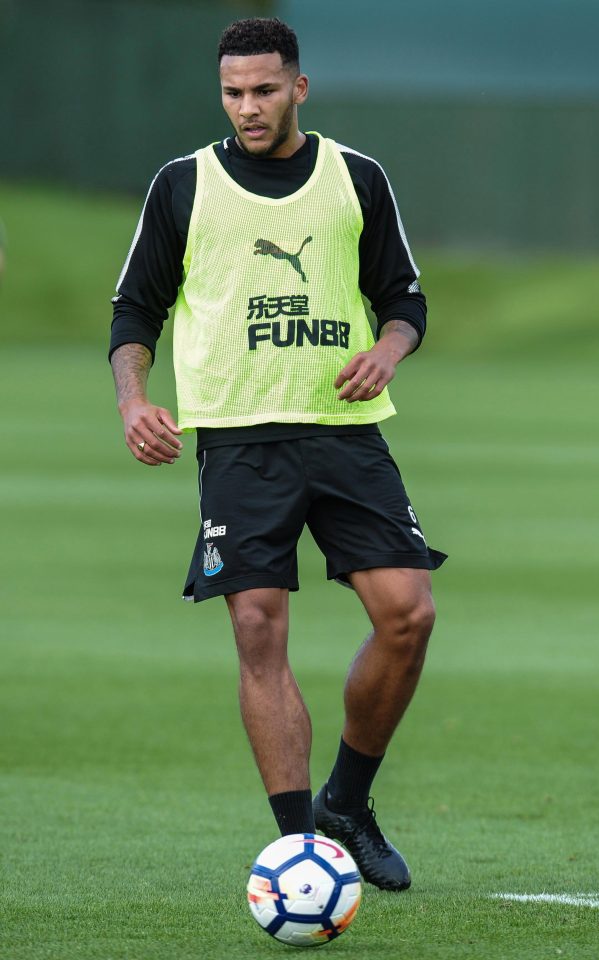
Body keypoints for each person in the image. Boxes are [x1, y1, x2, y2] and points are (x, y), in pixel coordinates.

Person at [109, 17, 446, 892]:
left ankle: (348, 801)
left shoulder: (356, 178)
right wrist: (135, 400)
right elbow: (134, 312)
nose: (247, 107)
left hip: (343, 432)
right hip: (238, 439)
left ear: (300, 88)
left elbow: (404, 296)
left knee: (408, 614)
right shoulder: (183, 184)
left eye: (264, 90)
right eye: (232, 92)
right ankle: (303, 847)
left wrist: (389, 350)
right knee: (259, 625)